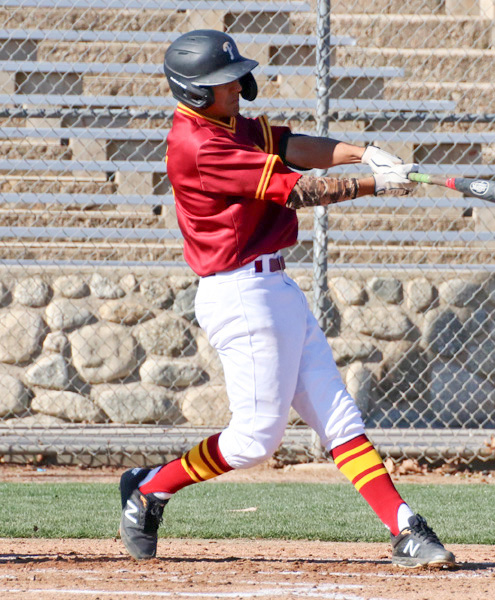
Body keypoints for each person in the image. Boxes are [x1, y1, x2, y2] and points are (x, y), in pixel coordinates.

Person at [117, 29, 456, 569]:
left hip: (275, 288)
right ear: (195, 90)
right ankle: (150, 489)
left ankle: (406, 529)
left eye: (233, 76)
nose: (234, 86)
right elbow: (296, 189)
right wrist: (376, 185)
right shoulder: (199, 144)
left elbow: (291, 144)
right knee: (254, 443)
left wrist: (361, 152)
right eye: (221, 82)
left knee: (340, 419)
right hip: (240, 293)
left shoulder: (228, 124)